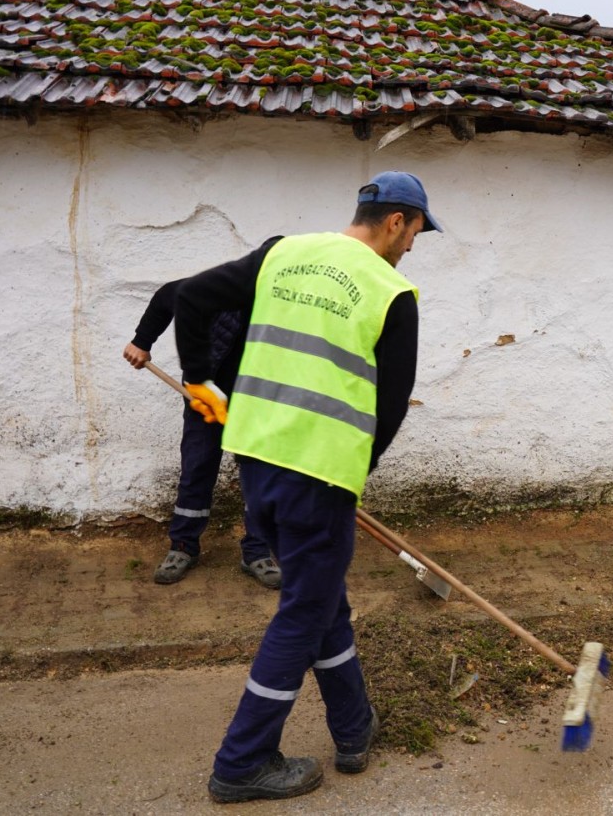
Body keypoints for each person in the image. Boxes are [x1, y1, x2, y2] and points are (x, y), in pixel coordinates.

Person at [174, 171, 442, 804]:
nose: (412, 248)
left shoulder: (280, 253)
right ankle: (242, 761)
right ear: (398, 222)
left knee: (319, 598)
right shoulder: (392, 291)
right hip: (319, 478)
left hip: (258, 463)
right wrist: (354, 472)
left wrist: (201, 383)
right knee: (301, 614)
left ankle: (353, 728)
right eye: (416, 233)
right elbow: (392, 404)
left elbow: (189, 297)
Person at [123, 283, 281, 589]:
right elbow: (168, 295)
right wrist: (141, 342)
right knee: (197, 467)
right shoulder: (223, 286)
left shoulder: (296, 309)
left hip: (256, 400)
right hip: (206, 394)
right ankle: (183, 546)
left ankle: (257, 552)